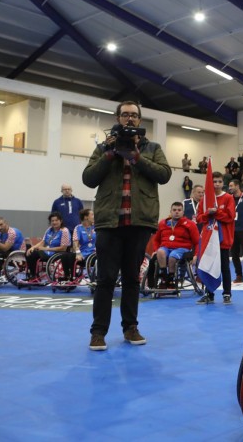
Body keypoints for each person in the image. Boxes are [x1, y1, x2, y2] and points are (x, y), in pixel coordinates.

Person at [83, 100, 171, 351]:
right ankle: (98, 332)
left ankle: (130, 327)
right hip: (109, 223)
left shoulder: (152, 147)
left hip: (138, 223)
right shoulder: (104, 147)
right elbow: (88, 178)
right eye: (125, 115)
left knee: (132, 278)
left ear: (140, 120)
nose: (129, 119)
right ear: (117, 118)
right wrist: (109, 155)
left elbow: (164, 174)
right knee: (105, 279)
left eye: (134, 115)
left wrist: (136, 158)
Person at [197, 172, 235, 304]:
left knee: (224, 267)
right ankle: (209, 293)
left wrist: (217, 212)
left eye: (219, 181)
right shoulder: (205, 199)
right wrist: (208, 213)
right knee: (208, 266)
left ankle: (227, 293)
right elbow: (199, 218)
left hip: (223, 239)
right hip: (209, 240)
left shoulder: (228, 198)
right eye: (214, 181)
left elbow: (230, 217)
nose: (217, 184)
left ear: (223, 183)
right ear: (210, 183)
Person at [152, 202, 200, 288]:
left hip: (182, 248)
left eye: (179, 210)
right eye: (174, 210)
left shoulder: (190, 224)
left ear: (183, 212)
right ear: (170, 211)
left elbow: (197, 242)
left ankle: (170, 280)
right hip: (166, 247)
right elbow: (156, 240)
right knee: (160, 252)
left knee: (172, 256)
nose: (176, 212)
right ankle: (164, 277)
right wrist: (155, 250)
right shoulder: (162, 223)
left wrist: (196, 255)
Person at [26, 212, 71, 282]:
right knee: (29, 252)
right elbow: (43, 242)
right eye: (52, 221)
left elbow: (63, 248)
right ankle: (33, 275)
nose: (54, 222)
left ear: (61, 221)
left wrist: (45, 248)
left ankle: (33, 276)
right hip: (47, 252)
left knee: (34, 254)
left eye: (56, 220)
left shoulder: (64, 231)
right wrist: (33, 247)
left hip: (57, 253)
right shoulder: (49, 230)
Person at [67, 209, 97, 282]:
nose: (94, 216)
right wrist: (78, 253)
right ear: (86, 217)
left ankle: (96, 278)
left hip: (94, 253)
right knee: (66, 256)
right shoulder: (78, 228)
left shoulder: (96, 227)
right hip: (83, 253)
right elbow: (75, 242)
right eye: (92, 215)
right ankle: (69, 277)